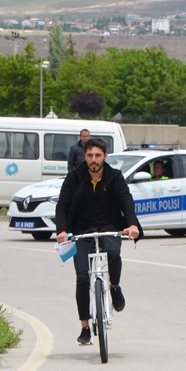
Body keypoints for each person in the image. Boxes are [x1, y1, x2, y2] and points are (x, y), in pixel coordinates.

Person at [56, 137, 141, 345]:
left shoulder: (115, 177)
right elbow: (62, 206)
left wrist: (131, 225)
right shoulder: (74, 177)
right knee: (83, 277)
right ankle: (85, 327)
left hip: (108, 227)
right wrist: (62, 230)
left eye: (97, 155)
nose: (93, 160)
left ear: (105, 156)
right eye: (89, 156)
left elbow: (126, 201)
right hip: (81, 230)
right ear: (85, 156)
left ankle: (114, 286)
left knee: (113, 253)